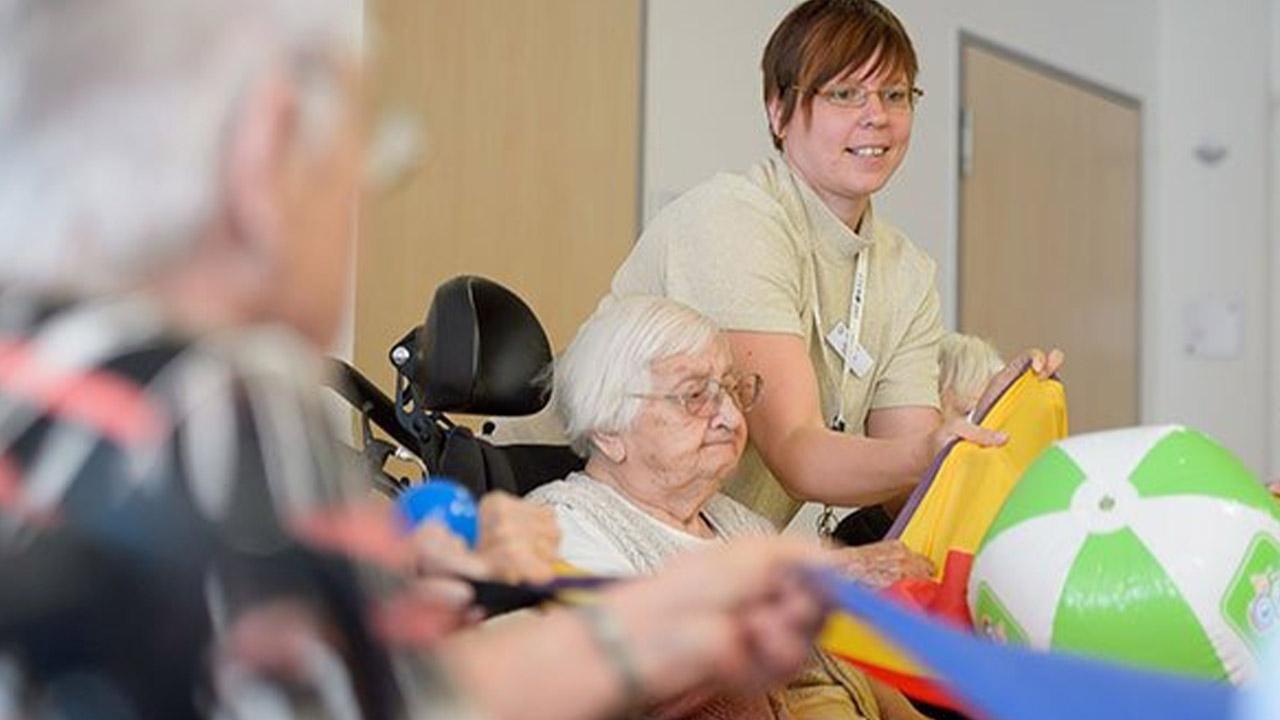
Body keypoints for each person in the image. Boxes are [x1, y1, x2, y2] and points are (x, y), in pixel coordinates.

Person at [0, 2, 839, 718]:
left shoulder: (52, 384)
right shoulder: (204, 420)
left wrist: (663, 625)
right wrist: (663, 631)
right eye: (367, 160)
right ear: (268, 147)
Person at [605, 0, 1061, 530]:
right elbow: (797, 453)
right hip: (603, 521)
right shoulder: (733, 219)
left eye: (895, 94)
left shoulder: (907, 273)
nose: (877, 115)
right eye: (845, 94)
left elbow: (906, 494)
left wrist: (988, 421)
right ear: (778, 111)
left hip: (718, 540)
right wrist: (932, 449)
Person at [530, 295, 933, 719]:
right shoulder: (562, 528)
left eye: (731, 389)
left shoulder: (735, 521)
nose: (732, 418)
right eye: (695, 396)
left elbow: (842, 662)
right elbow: (642, 667)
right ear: (609, 430)